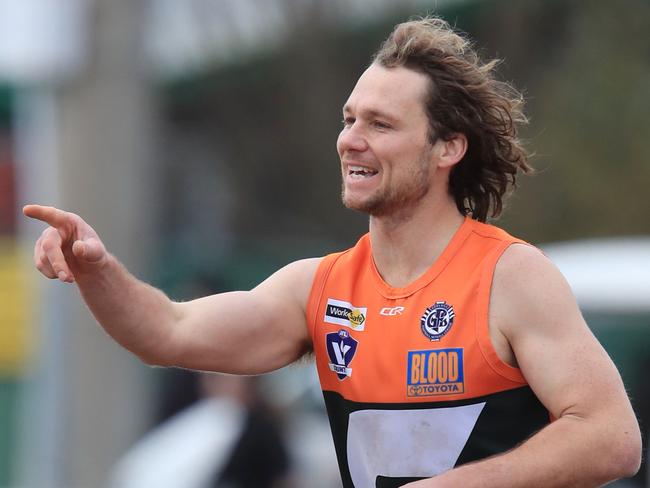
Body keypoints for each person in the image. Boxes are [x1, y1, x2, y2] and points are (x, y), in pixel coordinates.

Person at [24, 16, 641, 488]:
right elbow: (169, 330)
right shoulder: (319, 288)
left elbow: (612, 435)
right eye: (349, 119)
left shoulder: (510, 275)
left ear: (448, 147)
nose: (351, 140)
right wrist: (97, 269)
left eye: (381, 124)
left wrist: (459, 486)